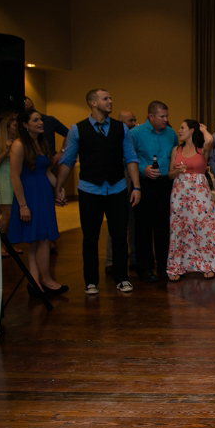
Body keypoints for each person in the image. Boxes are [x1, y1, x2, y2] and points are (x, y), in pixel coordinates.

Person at [55, 89, 141, 295]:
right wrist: (58, 187)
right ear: (93, 103)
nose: (110, 101)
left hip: (118, 188)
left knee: (120, 236)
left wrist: (136, 186)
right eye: (106, 99)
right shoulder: (77, 129)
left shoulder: (121, 129)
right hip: (89, 190)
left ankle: (122, 278)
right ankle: (90, 281)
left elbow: (131, 158)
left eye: (111, 98)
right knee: (90, 238)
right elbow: (67, 161)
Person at [166, 119, 215, 281]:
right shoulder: (177, 149)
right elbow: (169, 174)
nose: (179, 130)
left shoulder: (201, 150)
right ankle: (178, 265)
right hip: (180, 191)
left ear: (191, 130)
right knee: (180, 227)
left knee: (205, 226)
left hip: (199, 191)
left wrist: (203, 129)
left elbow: (210, 140)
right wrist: (177, 171)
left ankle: (208, 263)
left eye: (182, 128)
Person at [8, 110, 67, 298]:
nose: (41, 122)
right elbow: (15, 176)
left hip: (43, 192)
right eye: (36, 120)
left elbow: (47, 172)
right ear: (25, 125)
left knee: (39, 240)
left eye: (40, 119)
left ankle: (35, 283)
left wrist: (58, 189)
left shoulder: (40, 143)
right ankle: (46, 280)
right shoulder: (19, 145)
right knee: (40, 238)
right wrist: (23, 205)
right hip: (29, 194)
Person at [131, 101, 178, 282]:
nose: (166, 119)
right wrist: (144, 169)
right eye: (162, 116)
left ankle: (165, 266)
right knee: (143, 228)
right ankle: (144, 268)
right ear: (151, 116)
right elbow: (128, 158)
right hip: (144, 184)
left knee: (163, 227)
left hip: (166, 184)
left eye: (167, 116)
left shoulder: (171, 134)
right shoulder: (136, 134)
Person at [105, 110, 138, 273]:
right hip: (119, 177)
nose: (133, 123)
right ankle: (111, 261)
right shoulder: (114, 134)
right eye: (130, 120)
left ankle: (133, 258)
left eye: (134, 120)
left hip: (134, 176)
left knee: (133, 220)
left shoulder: (135, 135)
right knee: (116, 221)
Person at [0, 114, 20, 256]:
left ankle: (9, 245)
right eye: (14, 126)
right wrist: (6, 150)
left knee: (14, 213)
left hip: (15, 178)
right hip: (3, 178)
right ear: (7, 128)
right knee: (7, 215)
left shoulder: (19, 141)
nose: (16, 129)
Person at [24, 96, 69, 163]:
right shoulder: (20, 125)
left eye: (32, 107)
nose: (40, 123)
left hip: (50, 161)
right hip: (29, 163)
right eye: (27, 109)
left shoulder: (48, 120)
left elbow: (69, 134)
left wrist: (62, 152)